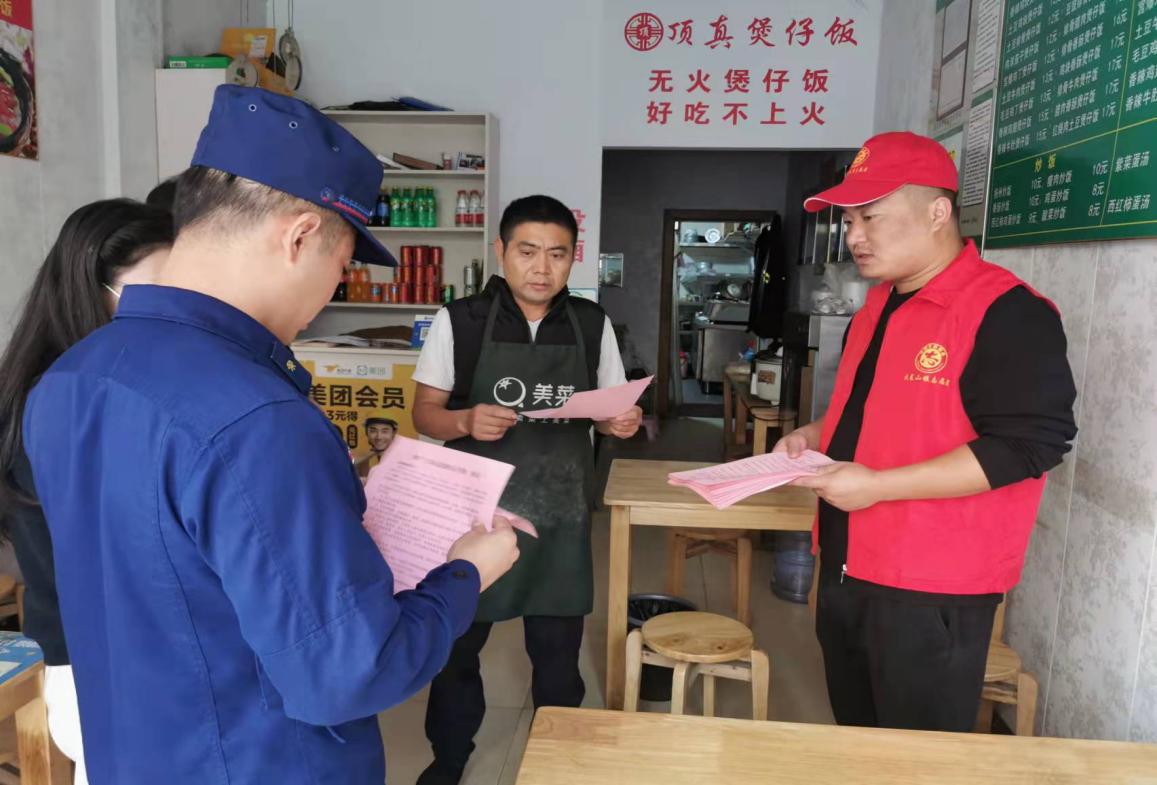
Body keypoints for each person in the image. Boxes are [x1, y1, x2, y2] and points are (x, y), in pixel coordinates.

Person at [22, 85, 519, 785]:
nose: (330, 294)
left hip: (132, 757)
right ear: (299, 236)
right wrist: (464, 574)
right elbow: (349, 673)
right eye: (342, 267)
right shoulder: (257, 415)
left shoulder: (72, 377)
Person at [776, 131, 1077, 732]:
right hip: (845, 565)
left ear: (938, 212)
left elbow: (1029, 445)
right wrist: (813, 434)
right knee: (860, 740)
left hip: (930, 590)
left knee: (919, 757)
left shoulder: (1006, 312)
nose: (854, 236)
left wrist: (878, 486)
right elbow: (871, 411)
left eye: (871, 218)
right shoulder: (876, 307)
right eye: (848, 221)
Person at [411, 195, 642, 785]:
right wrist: (464, 420)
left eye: (557, 254)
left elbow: (610, 413)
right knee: (456, 650)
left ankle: (559, 761)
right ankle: (450, 756)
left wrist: (621, 422)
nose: (542, 267)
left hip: (560, 516)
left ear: (573, 258)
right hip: (477, 518)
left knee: (558, 657)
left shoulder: (591, 324)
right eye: (528, 251)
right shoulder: (460, 321)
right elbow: (424, 413)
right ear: (501, 251)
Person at [0, 199, 173, 785]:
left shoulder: (93, 381)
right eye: (153, 292)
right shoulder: (63, 398)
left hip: (120, 655)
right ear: (91, 290)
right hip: (100, 661)